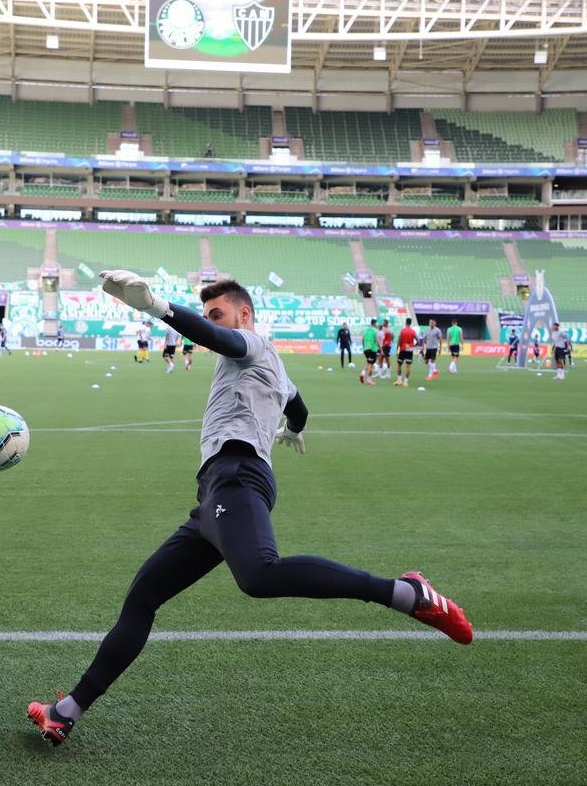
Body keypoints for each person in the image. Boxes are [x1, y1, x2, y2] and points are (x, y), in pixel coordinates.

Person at [27, 272, 473, 748]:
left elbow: (215, 336)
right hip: (216, 496)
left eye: (218, 312)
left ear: (244, 316)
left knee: (259, 575)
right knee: (143, 598)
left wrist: (158, 307)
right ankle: (65, 712)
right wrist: (293, 429)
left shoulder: (252, 344)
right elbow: (299, 407)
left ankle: (405, 593)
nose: (212, 322)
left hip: (236, 480)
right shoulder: (277, 367)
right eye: (209, 313)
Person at [394, 317, 417, 386]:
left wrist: (397, 350)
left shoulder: (402, 331)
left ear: (406, 322)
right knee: (408, 366)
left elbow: (399, 340)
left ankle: (399, 380)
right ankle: (406, 382)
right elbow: (418, 340)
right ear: (410, 323)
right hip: (410, 350)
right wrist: (413, 346)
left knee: (399, 365)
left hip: (402, 349)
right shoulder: (413, 331)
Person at [358, 319, 378, 386]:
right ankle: (369, 381)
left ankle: (362, 373)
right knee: (371, 365)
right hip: (373, 349)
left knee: (368, 363)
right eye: (376, 323)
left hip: (366, 349)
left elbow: (362, 339)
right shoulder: (375, 330)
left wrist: (364, 348)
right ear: (374, 323)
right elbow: (376, 340)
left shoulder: (366, 330)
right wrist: (380, 348)